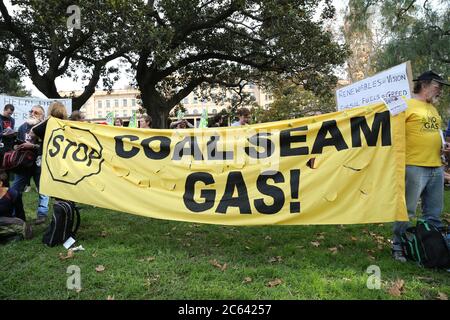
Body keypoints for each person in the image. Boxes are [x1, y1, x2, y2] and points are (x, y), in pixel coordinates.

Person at [392, 70, 450, 262]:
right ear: (424, 85)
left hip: (436, 166)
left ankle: (430, 246)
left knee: (433, 212)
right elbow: (390, 132)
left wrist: (443, 146)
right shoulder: (405, 104)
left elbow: (435, 133)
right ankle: (398, 245)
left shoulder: (432, 108)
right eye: (437, 86)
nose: (440, 90)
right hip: (414, 166)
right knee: (407, 210)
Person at [11, 105, 48, 224]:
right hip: (24, 165)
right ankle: (16, 215)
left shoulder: (44, 128)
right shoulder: (23, 127)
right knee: (15, 190)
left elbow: (47, 147)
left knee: (43, 191)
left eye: (36, 112)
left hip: (39, 164)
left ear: (42, 116)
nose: (32, 113)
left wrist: (32, 146)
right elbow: (17, 142)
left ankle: (42, 215)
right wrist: (16, 146)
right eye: (31, 111)